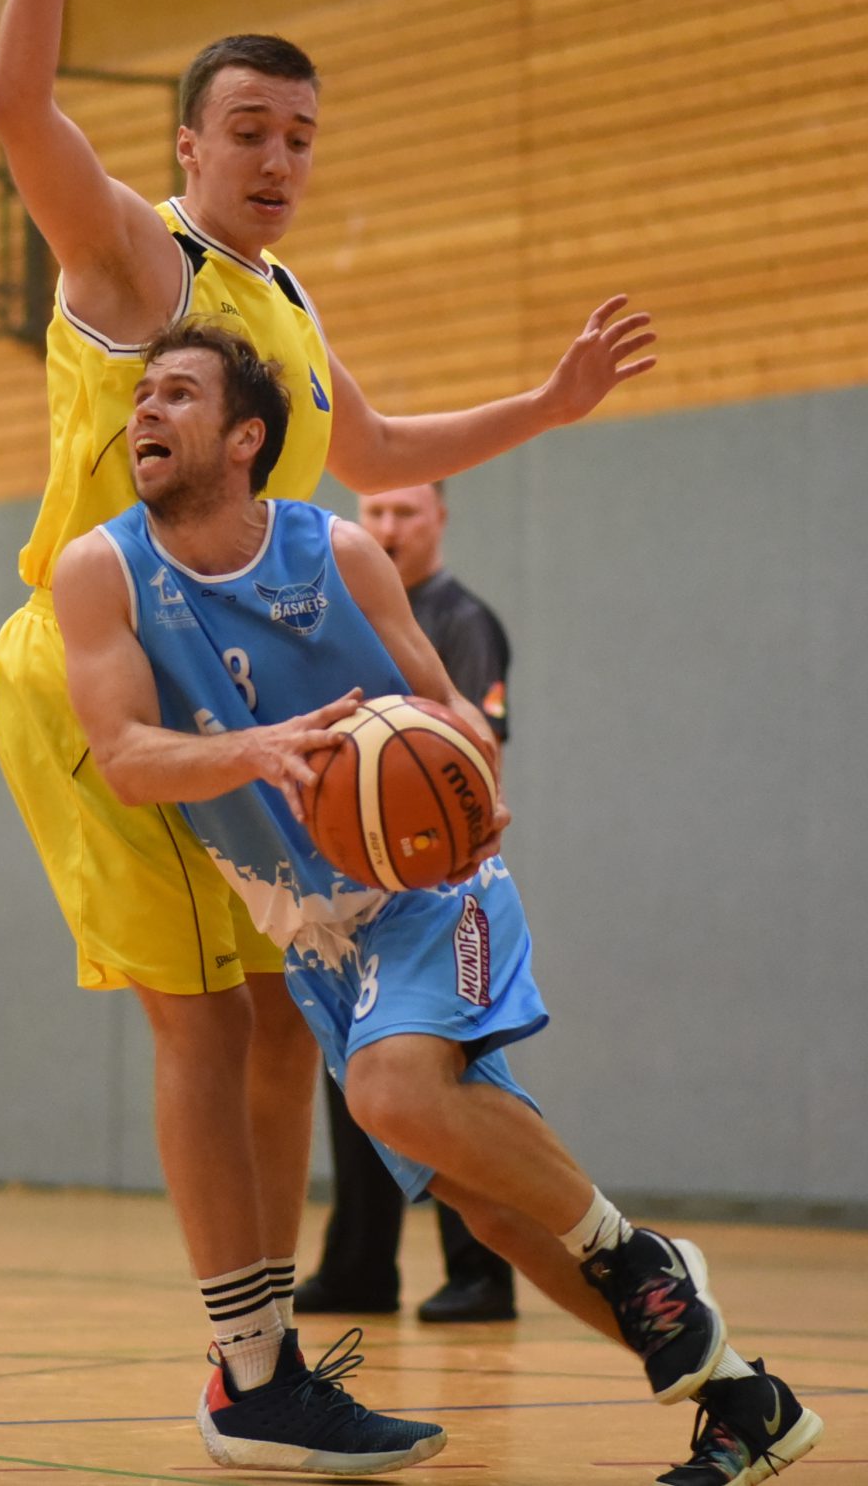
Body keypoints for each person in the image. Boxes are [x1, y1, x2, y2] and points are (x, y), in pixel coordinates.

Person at [0, 0, 656, 1472]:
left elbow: (376, 444)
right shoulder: (140, 264)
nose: (280, 158)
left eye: (302, 137)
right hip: (103, 667)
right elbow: (17, 113)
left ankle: (265, 1358)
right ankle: (246, 1365)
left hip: (232, 674)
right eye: (251, 133)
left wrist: (548, 404)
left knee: (284, 1010)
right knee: (203, 1020)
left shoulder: (278, 295)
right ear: (187, 149)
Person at [52, 320, 824, 1485]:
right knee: (502, 1208)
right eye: (140, 394)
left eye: (177, 393)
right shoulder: (100, 570)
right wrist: (259, 749)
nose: (144, 411)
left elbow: (444, 702)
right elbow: (121, 756)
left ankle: (641, 1254)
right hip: (311, 938)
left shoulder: (342, 552)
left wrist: (474, 779)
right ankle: (743, 1397)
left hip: (425, 889)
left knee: (390, 1088)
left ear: (248, 436)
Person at [295, 481, 518, 1324]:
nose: (386, 528)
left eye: (405, 513)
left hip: (447, 886)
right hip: (357, 885)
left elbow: (465, 753)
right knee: (357, 1076)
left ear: (439, 519)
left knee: (449, 1076)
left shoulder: (462, 621)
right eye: (374, 512)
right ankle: (360, 1265)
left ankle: (482, 1271)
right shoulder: (334, 615)